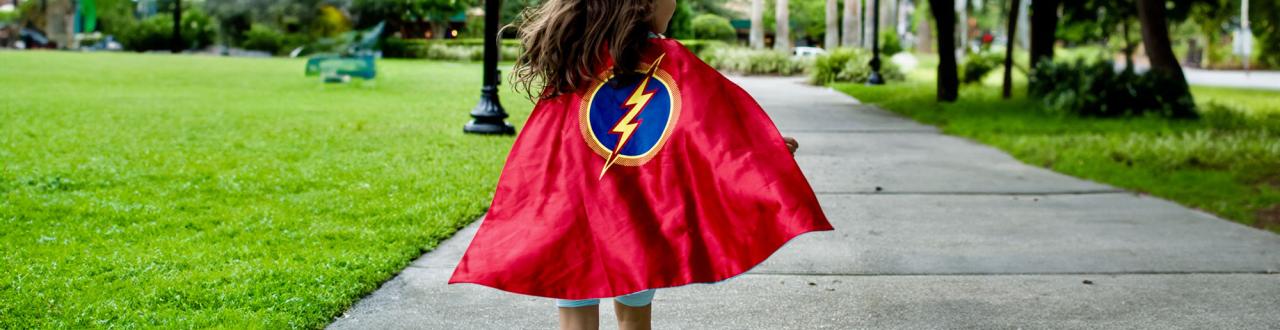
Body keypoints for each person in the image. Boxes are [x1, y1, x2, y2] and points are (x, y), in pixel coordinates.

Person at [448, 1, 833, 329]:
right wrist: (759, 152)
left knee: (575, 309)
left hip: (575, 208)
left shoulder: (578, 55)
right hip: (633, 214)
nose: (677, 3)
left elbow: (697, 129)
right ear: (644, 2)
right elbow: (706, 126)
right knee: (634, 315)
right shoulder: (668, 60)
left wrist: (761, 149)